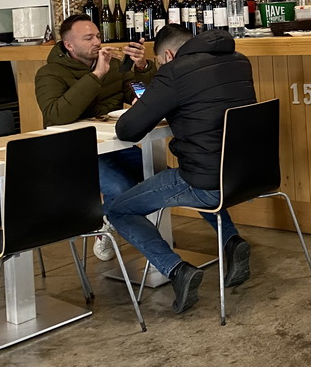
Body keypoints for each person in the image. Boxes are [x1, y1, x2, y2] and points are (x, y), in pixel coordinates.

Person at [109, 24, 257, 314]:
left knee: (117, 210)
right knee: (199, 169)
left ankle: (176, 270)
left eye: (162, 63)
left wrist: (156, 100)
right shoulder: (239, 60)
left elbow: (128, 130)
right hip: (247, 176)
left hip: (208, 182)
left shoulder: (175, 72)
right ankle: (231, 242)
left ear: (167, 55)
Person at [34, 13, 156, 260]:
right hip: (76, 152)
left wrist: (142, 68)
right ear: (69, 45)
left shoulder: (113, 66)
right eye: (88, 38)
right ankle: (109, 227)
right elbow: (56, 115)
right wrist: (96, 75)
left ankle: (114, 220)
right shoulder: (49, 73)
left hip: (115, 144)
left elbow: (140, 95)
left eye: (98, 36)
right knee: (123, 187)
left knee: (158, 177)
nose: (97, 42)